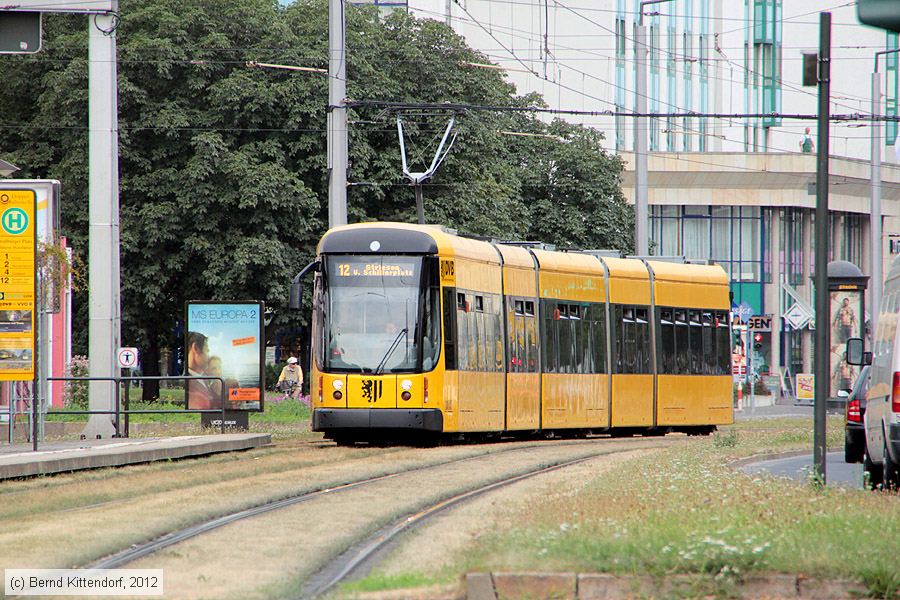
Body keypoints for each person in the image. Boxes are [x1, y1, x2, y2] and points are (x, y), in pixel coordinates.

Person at [186, 331, 216, 409]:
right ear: (196, 348)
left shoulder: (204, 377)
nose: (208, 356)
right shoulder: (189, 383)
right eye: (207, 350)